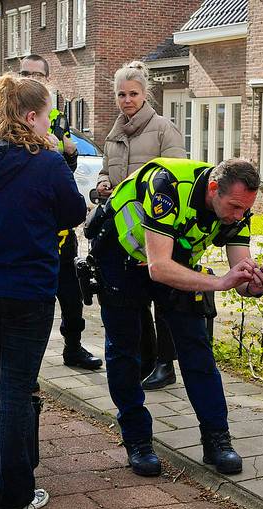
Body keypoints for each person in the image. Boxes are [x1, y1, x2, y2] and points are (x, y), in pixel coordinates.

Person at [0, 75, 87, 509]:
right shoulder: (44, 164)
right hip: (26, 289)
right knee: (15, 389)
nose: (49, 126)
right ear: (30, 117)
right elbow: (74, 211)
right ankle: (16, 495)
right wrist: (63, 164)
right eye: (47, 117)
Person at [93, 157, 263, 477]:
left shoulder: (237, 207)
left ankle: (216, 438)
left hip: (172, 259)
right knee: (126, 351)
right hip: (119, 255)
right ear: (214, 189)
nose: (239, 216)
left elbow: (240, 274)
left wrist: (255, 285)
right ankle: (137, 440)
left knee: (196, 347)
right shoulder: (169, 187)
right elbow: (158, 268)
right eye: (234, 207)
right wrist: (218, 283)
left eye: (244, 209)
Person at [95, 60, 190, 391]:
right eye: (121, 94)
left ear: (145, 93)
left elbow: (177, 175)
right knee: (134, 298)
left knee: (162, 298)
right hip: (126, 229)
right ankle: (147, 361)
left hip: (159, 226)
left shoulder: (165, 128)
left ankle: (166, 365)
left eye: (133, 93)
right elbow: (106, 170)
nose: (126, 100)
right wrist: (103, 183)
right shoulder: (114, 132)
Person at [18, 54, 101, 371]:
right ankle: (27, 364)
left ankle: (73, 348)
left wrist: (69, 153)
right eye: (26, 73)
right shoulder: (8, 117)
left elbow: (66, 172)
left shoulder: (58, 118)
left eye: (38, 74)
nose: (32, 78)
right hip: (29, 232)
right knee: (29, 303)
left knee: (70, 293)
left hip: (60, 230)